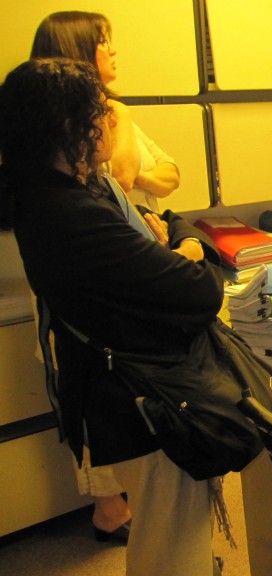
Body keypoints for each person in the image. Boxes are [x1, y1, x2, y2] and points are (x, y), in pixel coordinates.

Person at [0, 58, 223, 576]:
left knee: (166, 526)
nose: (109, 123)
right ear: (68, 126)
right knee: (170, 538)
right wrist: (192, 251)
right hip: (138, 395)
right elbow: (198, 291)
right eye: (99, 113)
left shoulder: (75, 190)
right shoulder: (68, 213)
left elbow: (170, 220)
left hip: (130, 385)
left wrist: (183, 242)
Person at [28, 10, 183, 543]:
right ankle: (109, 510)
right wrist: (117, 118)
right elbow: (118, 174)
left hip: (128, 265)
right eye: (103, 42)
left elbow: (167, 174)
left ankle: (124, 503)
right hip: (86, 293)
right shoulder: (63, 131)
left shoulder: (108, 115)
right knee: (91, 394)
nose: (114, 51)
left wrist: (140, 181)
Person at [31, 10, 181, 212]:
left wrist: (141, 177)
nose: (112, 51)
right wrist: (119, 110)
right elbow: (122, 178)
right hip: (111, 229)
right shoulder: (71, 123)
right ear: (77, 49)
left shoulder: (115, 114)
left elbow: (171, 172)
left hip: (148, 227)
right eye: (102, 42)